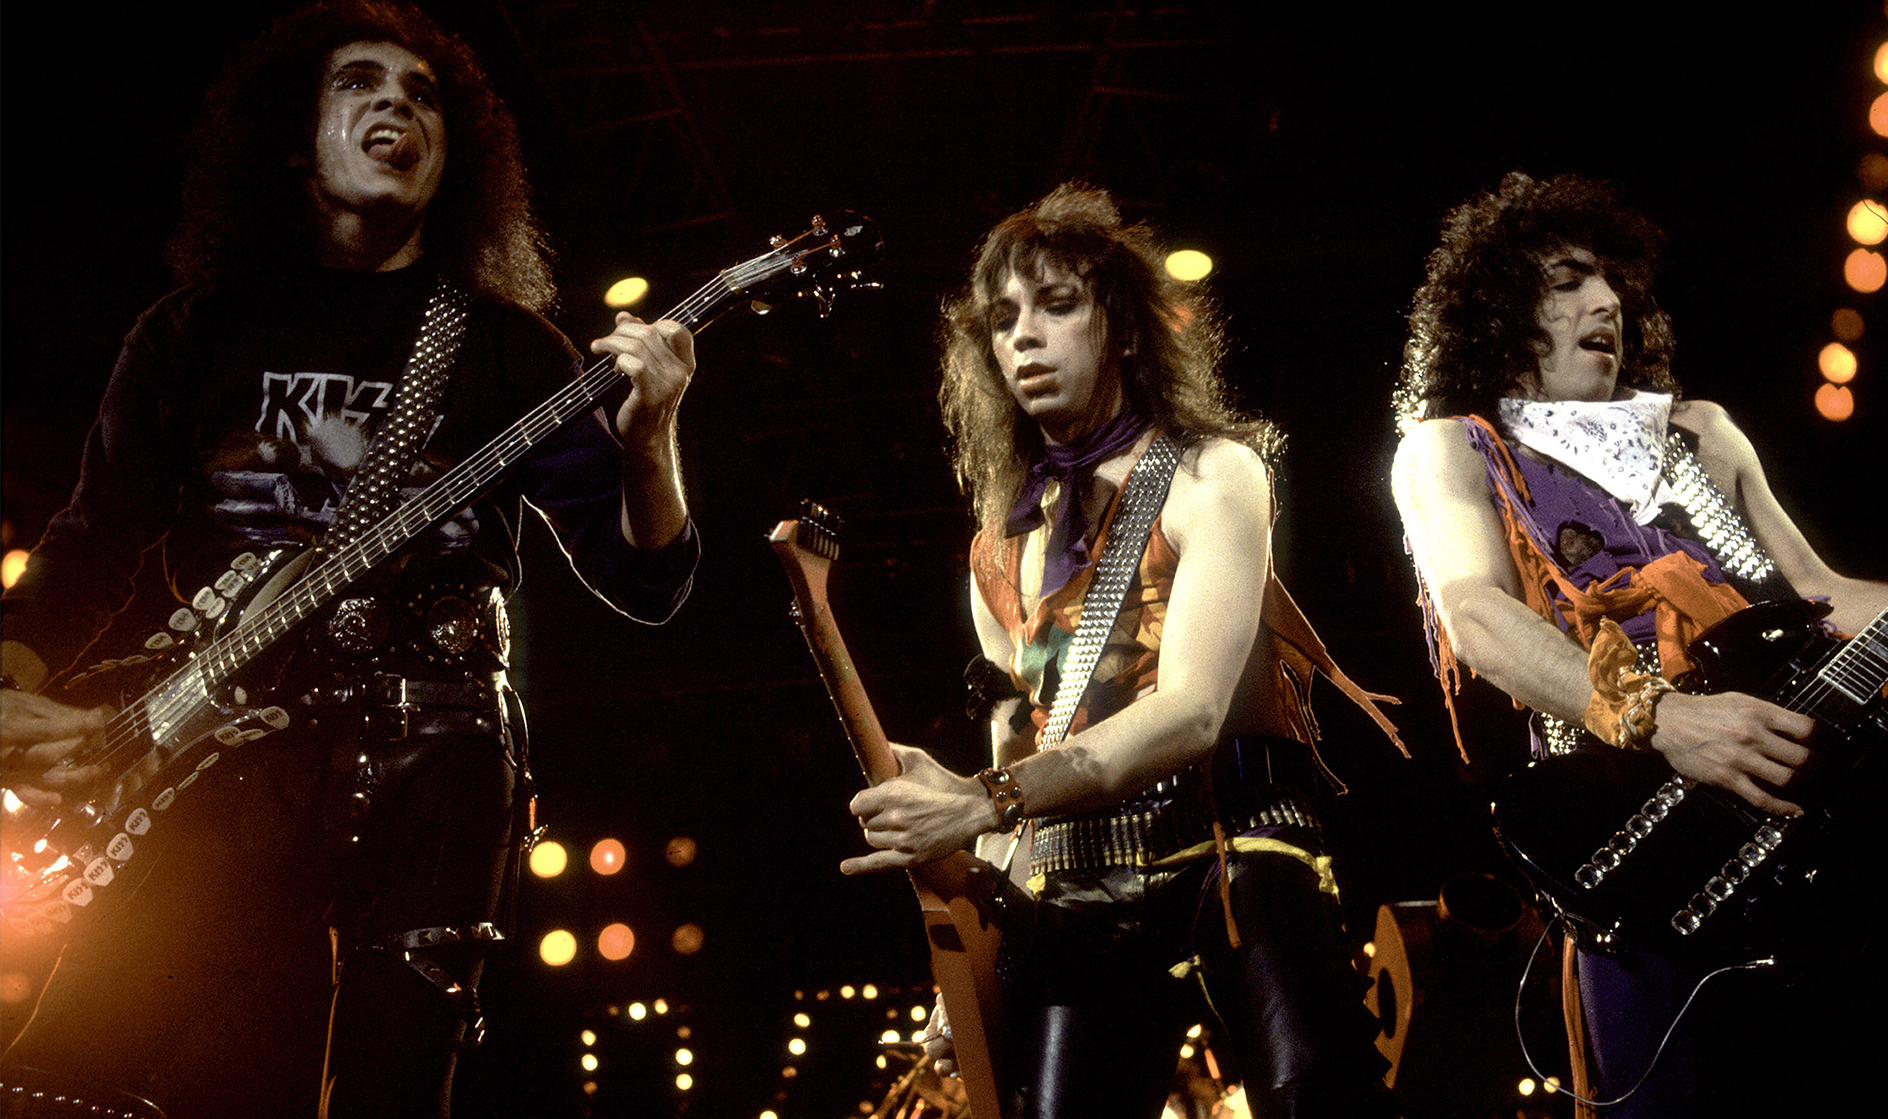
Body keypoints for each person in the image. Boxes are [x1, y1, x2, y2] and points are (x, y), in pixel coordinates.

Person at [0, 3, 698, 1115]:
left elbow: (645, 583)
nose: (395, 104)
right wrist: (11, 682)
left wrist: (653, 437)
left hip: (438, 744)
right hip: (219, 740)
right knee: (62, 1070)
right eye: (358, 83)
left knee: (390, 1088)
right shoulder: (192, 330)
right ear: (292, 136)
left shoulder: (509, 346)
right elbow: (94, 538)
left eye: (423, 93)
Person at [1390, 172, 1888, 1116]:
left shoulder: (1701, 431)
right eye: (1565, 281)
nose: (1606, 302)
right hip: (1638, 827)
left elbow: (1822, 595)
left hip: (1817, 779)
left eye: (1612, 285)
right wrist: (1663, 719)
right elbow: (1474, 613)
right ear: (1498, 309)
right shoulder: (1451, 447)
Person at [840, 185, 1400, 1118]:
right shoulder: (996, 544)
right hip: (1075, 874)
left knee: (1318, 1092)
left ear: (1127, 329)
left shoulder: (1212, 472)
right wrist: (977, 900)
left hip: (1232, 841)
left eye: (1057, 306)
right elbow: (1017, 753)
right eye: (1005, 317)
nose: (1024, 336)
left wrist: (983, 798)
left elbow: (1190, 712)